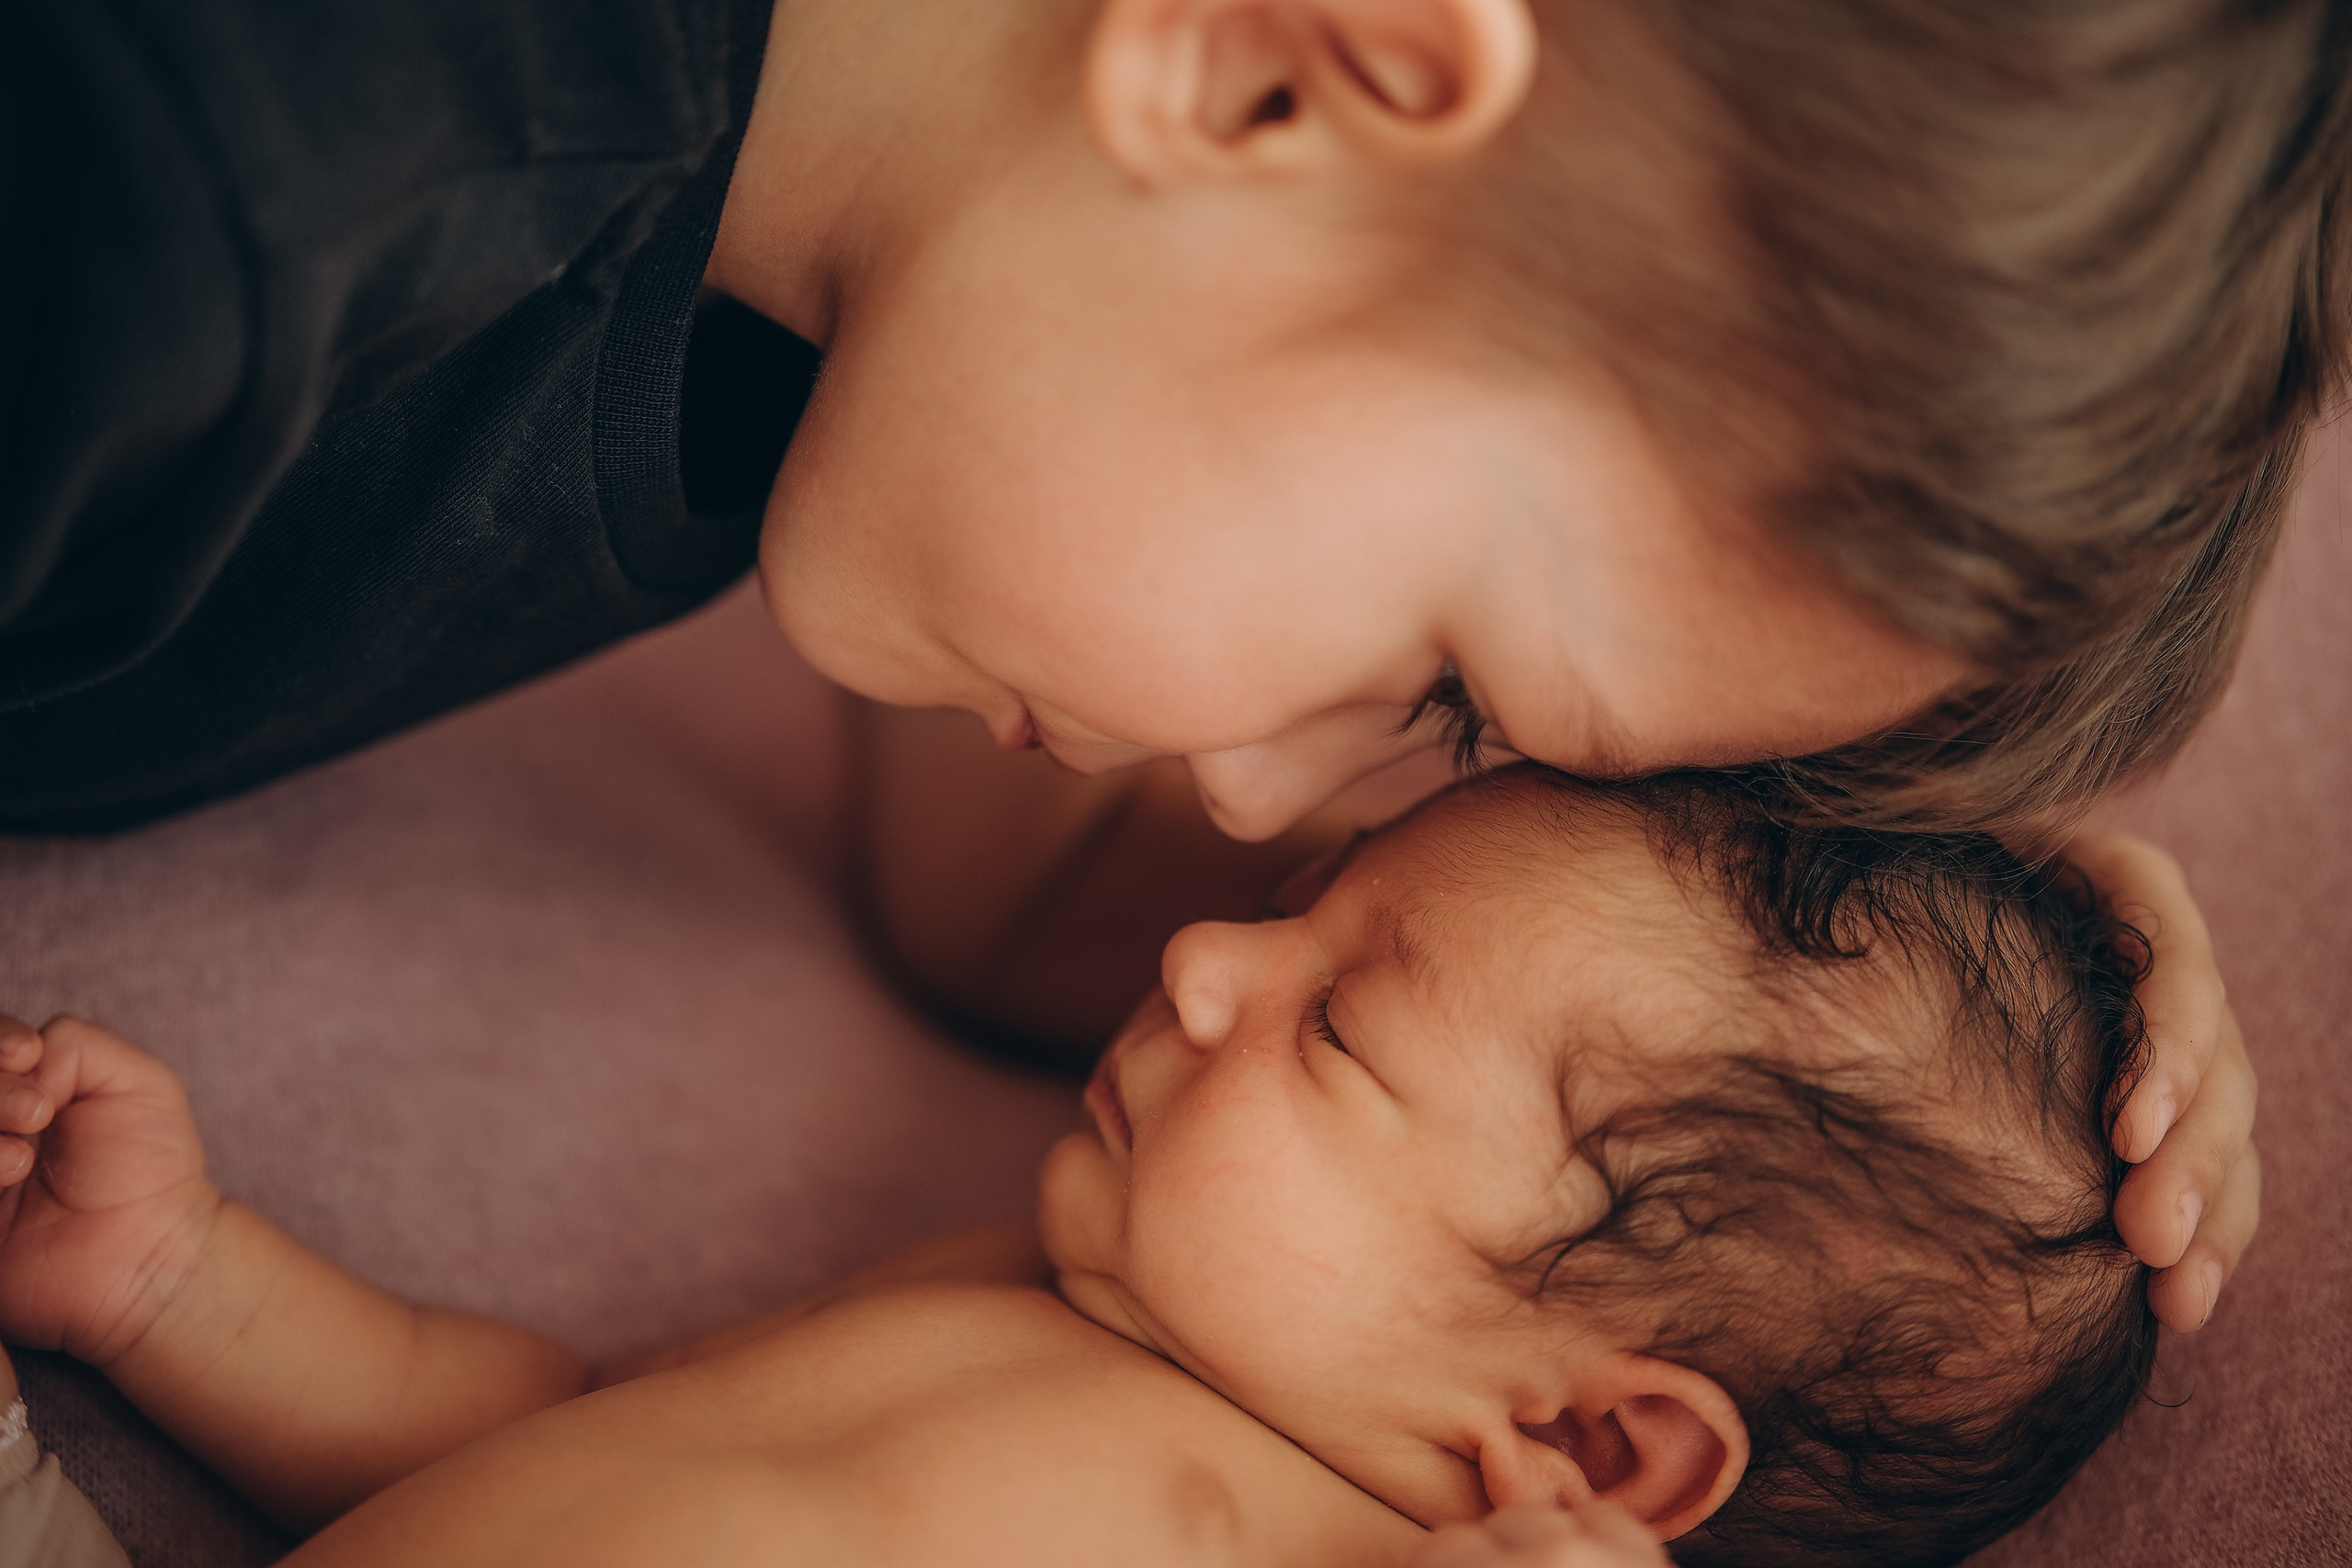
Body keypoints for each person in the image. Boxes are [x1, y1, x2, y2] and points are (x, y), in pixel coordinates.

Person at [6, 0, 2330, 1332]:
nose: (1252, 809)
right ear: (1266, 80)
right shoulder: (179, 187)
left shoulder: (884, 278)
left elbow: (994, 902)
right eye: (1446, 674)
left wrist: (1846, 1019)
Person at [0, 768, 2165, 1567]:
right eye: (1301, 903)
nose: (1205, 952)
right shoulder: (990, 1292)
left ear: (1582, 1425)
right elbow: (547, 1426)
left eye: (1334, 1018)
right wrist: (184, 1281)